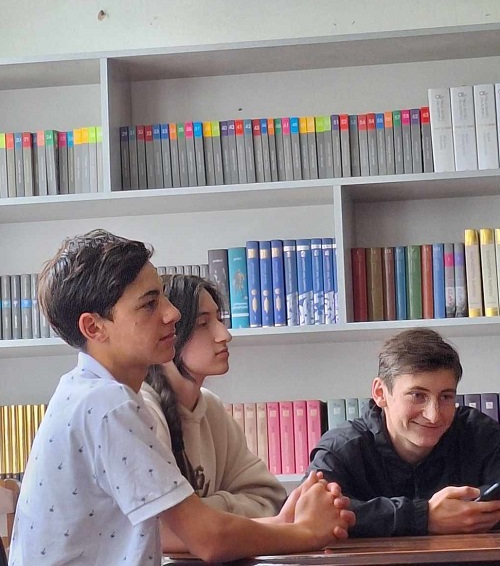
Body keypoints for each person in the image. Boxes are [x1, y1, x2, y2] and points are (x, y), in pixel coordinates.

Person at [9, 230, 355, 565]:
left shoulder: (87, 391)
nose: (172, 313)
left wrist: (281, 525)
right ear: (94, 327)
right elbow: (207, 539)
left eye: (163, 296)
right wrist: (307, 532)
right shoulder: (107, 404)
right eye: (149, 304)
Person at [308, 327, 500, 537]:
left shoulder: (481, 434)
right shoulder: (341, 449)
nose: (434, 415)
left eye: (446, 397)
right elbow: (309, 515)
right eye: (417, 395)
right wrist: (423, 516)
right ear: (380, 393)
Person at [142, 273, 287, 526]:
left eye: (219, 320)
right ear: (168, 332)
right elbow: (159, 525)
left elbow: (270, 499)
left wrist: (207, 508)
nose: (224, 335)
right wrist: (209, 514)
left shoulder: (211, 408)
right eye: (203, 324)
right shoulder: (142, 411)